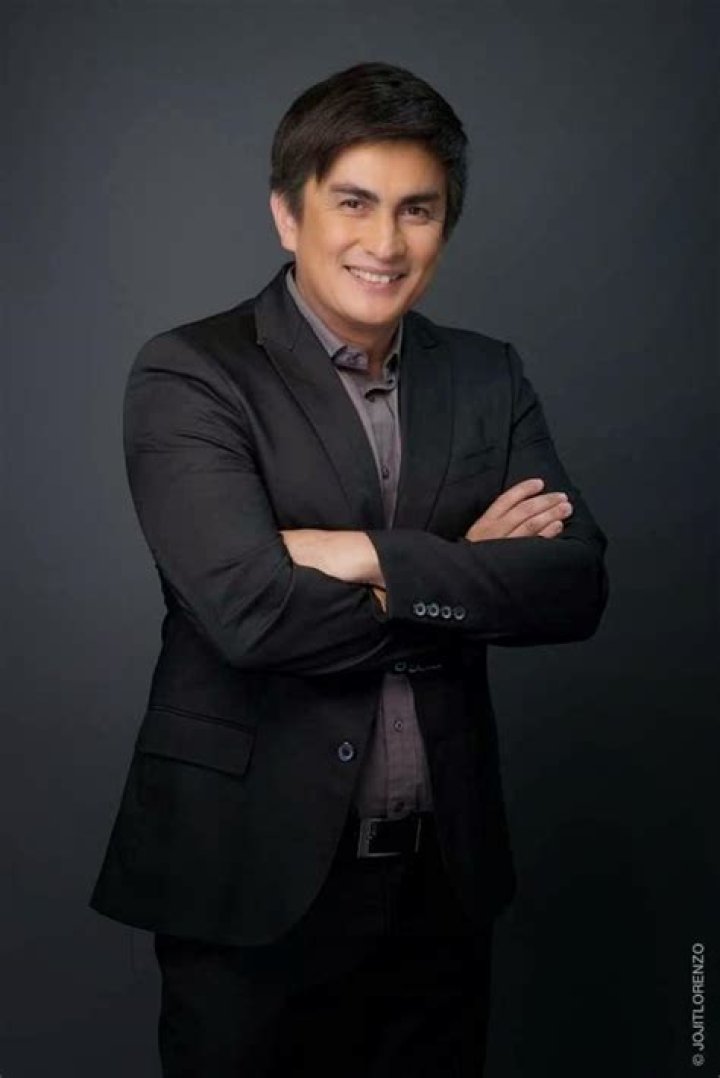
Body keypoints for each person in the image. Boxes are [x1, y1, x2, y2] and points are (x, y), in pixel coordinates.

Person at [90, 61, 609, 1077]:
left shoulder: (486, 374)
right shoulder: (192, 372)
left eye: (419, 209)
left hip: (441, 881)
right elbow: (250, 613)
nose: (386, 242)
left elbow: (575, 586)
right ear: (289, 214)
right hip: (249, 875)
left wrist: (366, 556)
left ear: (446, 226)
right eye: (355, 202)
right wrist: (465, 574)